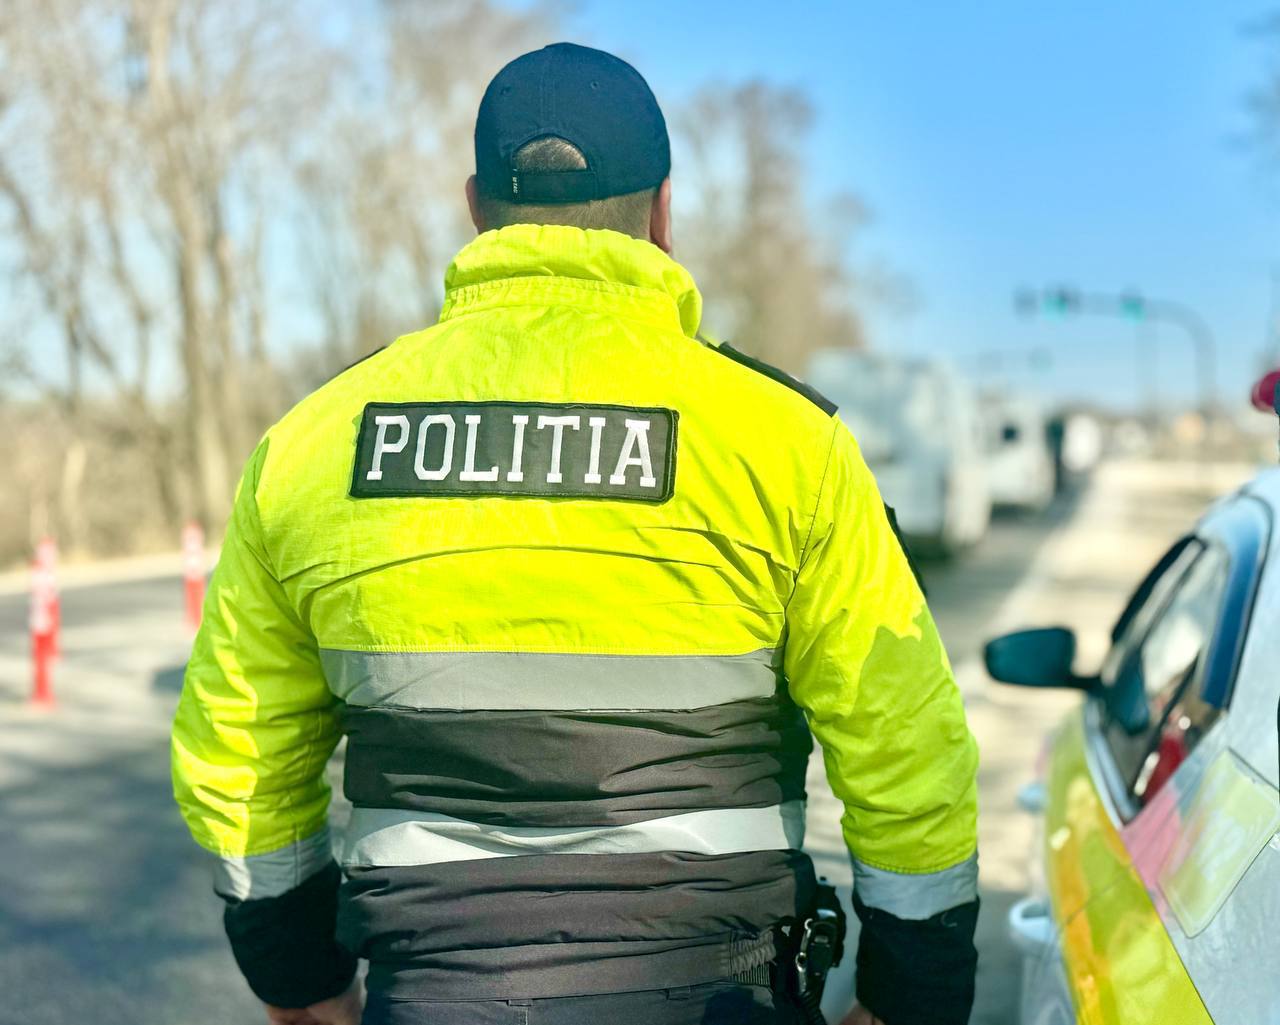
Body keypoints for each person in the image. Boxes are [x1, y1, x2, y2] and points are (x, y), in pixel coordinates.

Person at [172, 42, 980, 1025]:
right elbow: (903, 745)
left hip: (431, 993)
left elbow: (239, 745)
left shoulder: (314, 445)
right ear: (663, 215)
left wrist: (296, 977)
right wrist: (912, 992)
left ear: (476, 210)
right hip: (719, 994)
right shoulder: (787, 445)